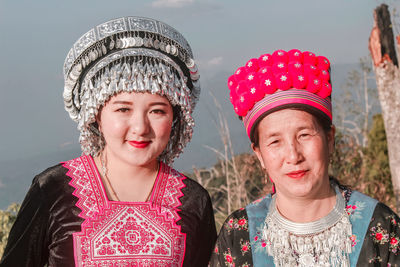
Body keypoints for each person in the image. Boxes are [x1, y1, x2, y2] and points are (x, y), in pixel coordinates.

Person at [0, 16, 216, 266]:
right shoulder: (53, 189)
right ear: (96, 116)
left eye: (157, 111)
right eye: (123, 109)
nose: (140, 127)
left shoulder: (192, 200)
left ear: (175, 118)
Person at [209, 49, 400, 266]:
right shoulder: (239, 233)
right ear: (259, 154)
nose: (293, 155)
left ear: (329, 140)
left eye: (304, 135)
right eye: (275, 142)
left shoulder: (378, 226)